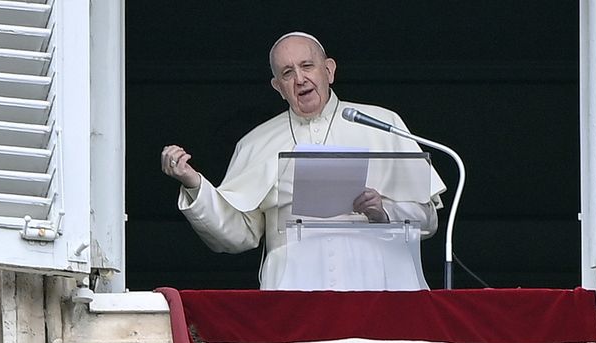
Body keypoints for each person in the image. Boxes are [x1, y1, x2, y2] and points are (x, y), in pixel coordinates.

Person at [161, 32, 446, 290]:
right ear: (277, 86)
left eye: (307, 66)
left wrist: (382, 214)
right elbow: (238, 235)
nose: (300, 78)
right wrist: (195, 185)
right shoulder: (255, 143)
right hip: (294, 283)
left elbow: (428, 219)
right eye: (287, 72)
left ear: (329, 70)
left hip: (380, 279)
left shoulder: (384, 123)